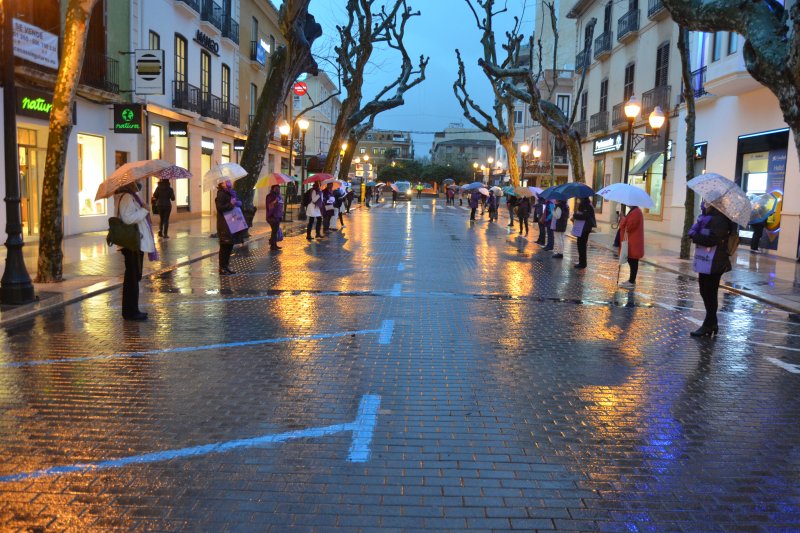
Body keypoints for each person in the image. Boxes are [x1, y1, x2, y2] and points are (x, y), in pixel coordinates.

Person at [689, 204, 733, 337]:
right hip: (706, 260)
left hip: (715, 261)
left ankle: (709, 324)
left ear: (715, 204)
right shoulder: (707, 217)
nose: (704, 203)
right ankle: (712, 323)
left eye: (708, 201)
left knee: (709, 292)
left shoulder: (720, 219)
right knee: (705, 291)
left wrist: (694, 236)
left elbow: (712, 239)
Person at [115, 181, 156, 321]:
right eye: (134, 182)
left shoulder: (132, 196)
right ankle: (130, 312)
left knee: (134, 278)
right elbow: (127, 219)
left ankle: (133, 309)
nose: (138, 184)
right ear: (128, 185)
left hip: (136, 243)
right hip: (131, 244)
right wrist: (144, 209)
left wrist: (144, 208)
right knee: (131, 278)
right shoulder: (127, 197)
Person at [216, 180, 243, 274]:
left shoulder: (230, 193)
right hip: (224, 224)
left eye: (228, 180)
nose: (228, 182)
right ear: (221, 184)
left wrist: (236, 203)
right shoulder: (221, 194)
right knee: (225, 246)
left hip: (231, 222)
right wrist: (231, 203)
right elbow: (219, 208)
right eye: (225, 181)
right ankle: (222, 268)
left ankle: (226, 266)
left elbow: (232, 204)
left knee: (230, 245)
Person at [619, 205, 644, 287]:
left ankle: (631, 281)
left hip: (633, 241)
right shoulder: (634, 211)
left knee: (633, 261)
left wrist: (622, 218)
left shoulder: (636, 212)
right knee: (632, 260)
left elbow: (628, 226)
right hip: (632, 240)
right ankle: (631, 280)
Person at [572, 197, 596, 269]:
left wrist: (575, 215)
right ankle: (581, 262)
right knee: (581, 245)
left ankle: (582, 263)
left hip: (584, 228)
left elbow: (584, 216)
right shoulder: (586, 205)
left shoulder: (587, 205)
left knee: (581, 245)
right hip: (583, 228)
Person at [265, 184, 284, 251]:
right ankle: (273, 245)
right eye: (276, 188)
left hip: (278, 216)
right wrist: (275, 202)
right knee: (274, 231)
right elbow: (269, 206)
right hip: (272, 216)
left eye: (278, 188)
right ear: (272, 189)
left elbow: (280, 206)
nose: (278, 190)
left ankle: (274, 245)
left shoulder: (279, 196)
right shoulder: (269, 196)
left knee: (275, 231)